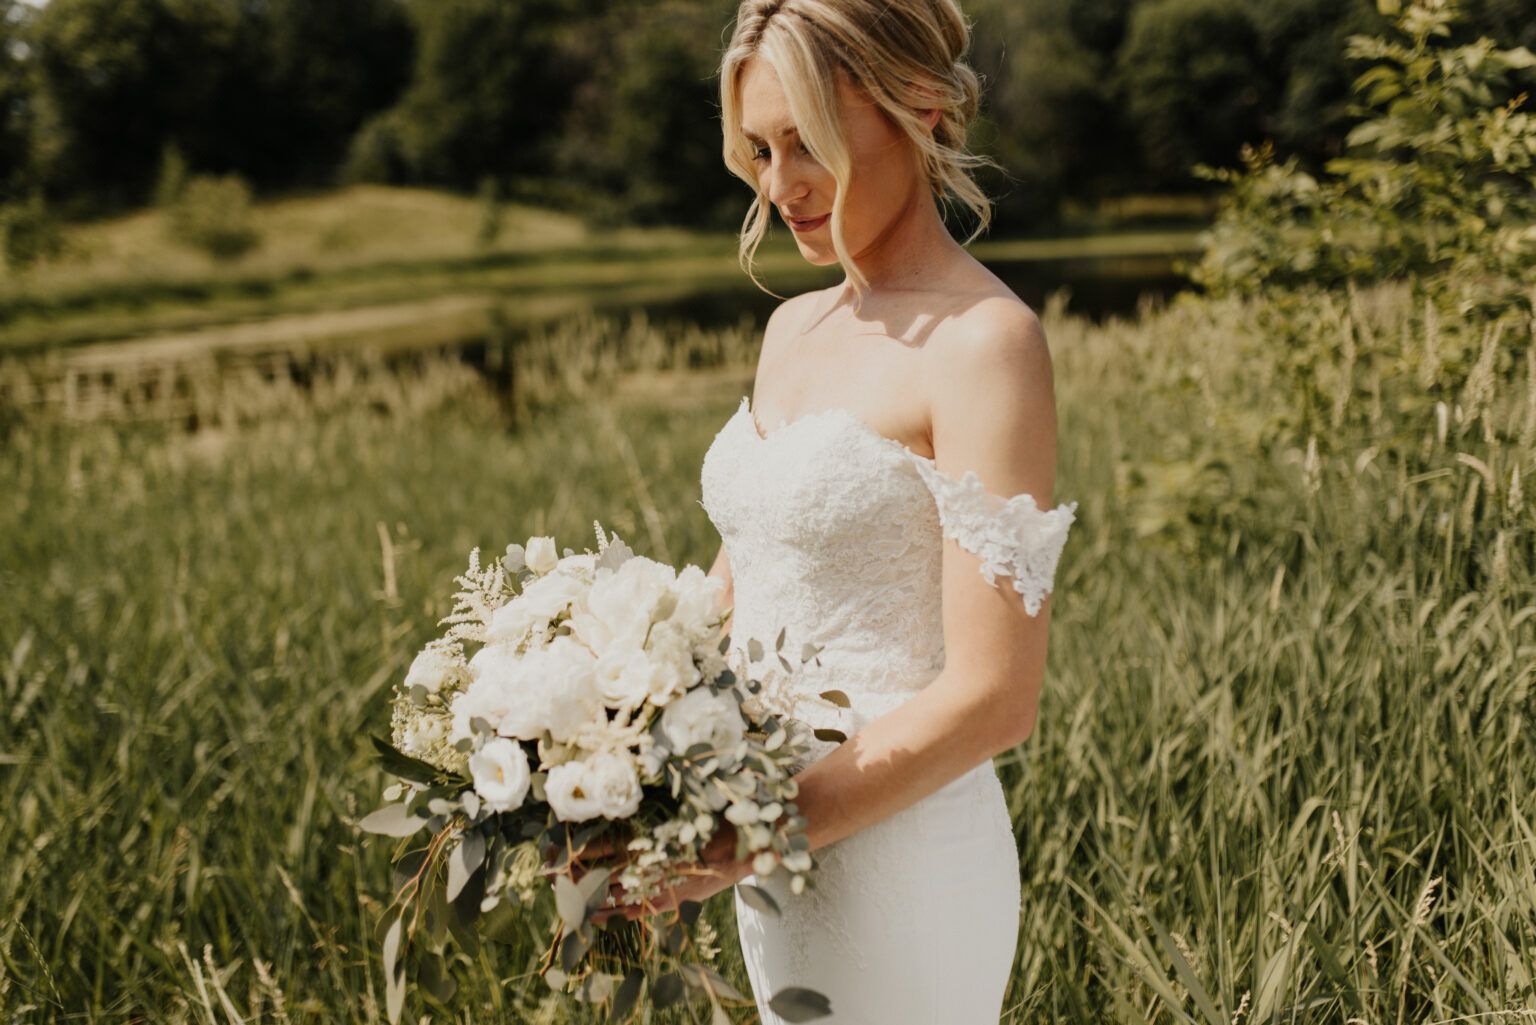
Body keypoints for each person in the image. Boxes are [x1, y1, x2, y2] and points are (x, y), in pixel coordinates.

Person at [587, 1, 1078, 1021]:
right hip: (769, 864)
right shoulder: (791, 329)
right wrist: (607, 751)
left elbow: (997, 695)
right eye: (760, 149)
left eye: (805, 142)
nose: (778, 185)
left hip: (903, 862)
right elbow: (746, 579)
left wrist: (743, 838)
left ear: (922, 105)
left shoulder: (985, 342)